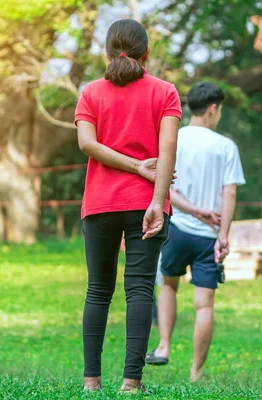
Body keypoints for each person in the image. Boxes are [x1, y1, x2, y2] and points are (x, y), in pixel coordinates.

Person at [74, 19, 181, 393]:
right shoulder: (165, 92)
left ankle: (91, 382)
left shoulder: (91, 93)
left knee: (97, 291)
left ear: (105, 52)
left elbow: (87, 144)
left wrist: (134, 168)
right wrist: (155, 196)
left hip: (100, 203)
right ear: (146, 53)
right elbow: (167, 149)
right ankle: (131, 383)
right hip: (145, 204)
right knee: (139, 290)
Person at [145, 82, 246, 381]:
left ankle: (163, 346)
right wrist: (224, 234)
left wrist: (190, 210)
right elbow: (229, 194)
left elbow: (162, 185)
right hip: (208, 237)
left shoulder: (173, 139)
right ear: (213, 108)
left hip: (175, 228)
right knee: (204, 305)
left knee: (168, 287)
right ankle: (196, 372)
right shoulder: (226, 146)